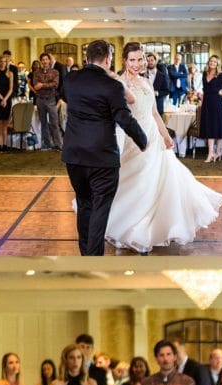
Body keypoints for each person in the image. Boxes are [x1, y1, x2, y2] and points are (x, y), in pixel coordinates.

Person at [104, 45, 222, 251]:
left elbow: (154, 113)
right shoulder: (118, 83)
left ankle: (151, 227)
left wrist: (166, 134)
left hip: (152, 135)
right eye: (132, 60)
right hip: (131, 137)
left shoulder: (147, 81)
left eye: (140, 59)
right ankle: (129, 227)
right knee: (133, 180)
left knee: (155, 180)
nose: (137, 64)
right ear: (124, 60)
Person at [62, 39, 148, 256]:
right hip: (102, 157)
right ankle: (94, 261)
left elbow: (64, 97)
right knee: (100, 209)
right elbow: (124, 118)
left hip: (74, 155)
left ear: (86, 58)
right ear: (108, 59)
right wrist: (143, 140)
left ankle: (86, 255)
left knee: (84, 204)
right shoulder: (113, 86)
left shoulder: (70, 79)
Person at [200, 54, 222, 162]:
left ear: (217, 64)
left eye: (215, 62)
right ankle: (211, 153)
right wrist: (202, 101)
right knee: (209, 127)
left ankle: (217, 152)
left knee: (218, 127)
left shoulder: (221, 75)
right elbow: (204, 89)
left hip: (217, 102)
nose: (212, 63)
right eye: (211, 61)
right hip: (206, 102)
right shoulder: (204, 74)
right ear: (208, 62)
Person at [32, 52, 62, 151]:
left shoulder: (55, 72)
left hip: (51, 100)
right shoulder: (36, 73)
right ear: (41, 61)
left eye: (46, 59)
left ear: (49, 60)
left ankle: (58, 144)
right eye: (43, 60)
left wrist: (42, 85)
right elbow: (36, 85)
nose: (44, 61)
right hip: (40, 100)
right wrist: (43, 85)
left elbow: (55, 84)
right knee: (43, 123)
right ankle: (47, 144)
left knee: (54, 122)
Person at [0, 56, 14, 154]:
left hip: (7, 100)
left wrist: (5, 99)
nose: (2, 63)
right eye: (1, 61)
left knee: (5, 124)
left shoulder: (10, 74)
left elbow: (11, 88)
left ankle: (5, 145)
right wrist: (2, 99)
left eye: (4, 61)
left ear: (6, 63)